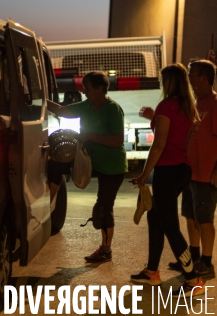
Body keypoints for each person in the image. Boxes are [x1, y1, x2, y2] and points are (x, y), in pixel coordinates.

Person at [130, 63, 204, 298]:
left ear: (169, 81)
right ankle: (152, 271)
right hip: (182, 170)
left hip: (167, 171)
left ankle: (193, 279)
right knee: (156, 218)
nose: (162, 84)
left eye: (163, 80)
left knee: (170, 227)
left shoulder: (166, 105)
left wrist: (143, 175)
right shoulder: (187, 106)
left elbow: (159, 144)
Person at [48, 71, 127, 263]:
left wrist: (90, 135)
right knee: (56, 166)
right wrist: (39, 99)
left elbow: (117, 140)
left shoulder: (113, 109)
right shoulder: (86, 106)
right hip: (92, 162)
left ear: (100, 88)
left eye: (88, 88)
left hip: (113, 166)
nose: (84, 92)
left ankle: (106, 250)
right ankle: (48, 206)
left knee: (103, 209)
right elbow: (62, 110)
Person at [168, 60, 217, 279]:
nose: (189, 79)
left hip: (207, 174)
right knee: (190, 216)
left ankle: (207, 262)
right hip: (191, 172)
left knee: (205, 218)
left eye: (193, 75)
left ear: (205, 78)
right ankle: (193, 257)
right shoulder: (195, 103)